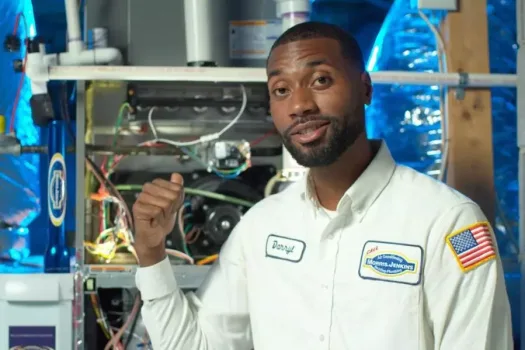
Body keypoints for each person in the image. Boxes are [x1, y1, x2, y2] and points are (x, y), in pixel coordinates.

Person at [132, 22, 513, 349]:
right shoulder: (262, 227)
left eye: (320, 80)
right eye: (281, 90)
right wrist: (151, 254)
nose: (299, 105)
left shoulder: (448, 223)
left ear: (365, 88)